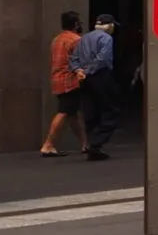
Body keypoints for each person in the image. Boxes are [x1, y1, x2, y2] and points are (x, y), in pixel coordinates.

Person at [70, 14, 120, 161]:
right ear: (109, 25)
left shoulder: (84, 38)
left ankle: (92, 143)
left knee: (90, 110)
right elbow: (102, 58)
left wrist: (79, 70)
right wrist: (88, 70)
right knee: (111, 110)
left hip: (85, 80)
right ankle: (96, 144)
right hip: (101, 76)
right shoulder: (106, 38)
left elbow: (74, 58)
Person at [39, 11, 86, 156]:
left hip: (57, 79)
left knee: (72, 114)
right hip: (70, 81)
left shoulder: (57, 39)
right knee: (64, 111)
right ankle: (48, 144)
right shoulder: (76, 40)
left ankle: (85, 144)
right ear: (76, 24)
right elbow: (80, 61)